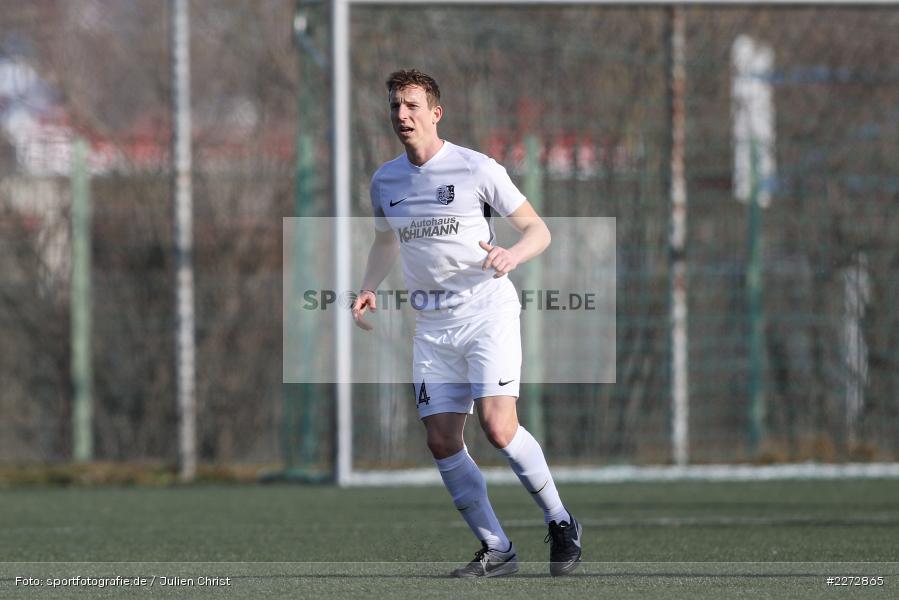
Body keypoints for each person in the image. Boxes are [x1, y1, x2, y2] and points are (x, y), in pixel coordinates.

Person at [351, 69, 581, 578]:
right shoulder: (385, 180)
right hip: (432, 326)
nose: (402, 115)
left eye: (412, 105)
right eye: (395, 106)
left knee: (498, 427)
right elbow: (386, 240)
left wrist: (512, 255)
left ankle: (561, 521)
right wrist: (367, 287)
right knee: (440, 440)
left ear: (436, 113)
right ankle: (497, 548)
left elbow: (538, 230)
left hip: (486, 313)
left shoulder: (477, 168)